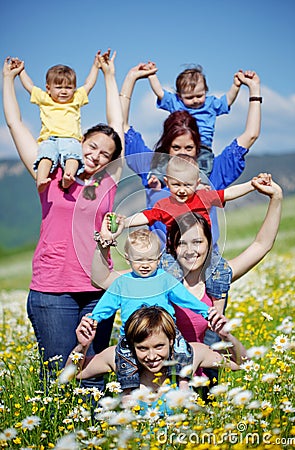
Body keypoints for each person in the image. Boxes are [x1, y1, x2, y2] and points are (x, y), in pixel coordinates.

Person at [2, 51, 124, 387]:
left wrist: (109, 75)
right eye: (92, 147)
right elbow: (16, 125)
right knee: (58, 379)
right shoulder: (50, 173)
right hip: (52, 291)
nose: (97, 155)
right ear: (79, 141)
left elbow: (116, 127)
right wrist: (8, 81)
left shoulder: (107, 180)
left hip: (98, 290)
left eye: (105, 153)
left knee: (93, 378)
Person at [92, 177, 282, 385]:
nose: (191, 251)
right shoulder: (157, 277)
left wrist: (276, 197)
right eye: (182, 243)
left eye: (198, 242)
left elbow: (261, 245)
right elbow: (102, 279)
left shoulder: (217, 277)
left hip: (202, 376)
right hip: (156, 379)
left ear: (210, 244)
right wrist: (105, 241)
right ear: (173, 246)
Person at [120, 63, 262, 250]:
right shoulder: (151, 167)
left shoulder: (212, 172)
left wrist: (254, 89)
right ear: (166, 146)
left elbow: (250, 135)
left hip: (205, 265)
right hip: (161, 266)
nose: (182, 153)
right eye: (176, 147)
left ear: (198, 148)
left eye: (189, 147)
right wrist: (131, 79)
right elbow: (120, 126)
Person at [122, 154, 270, 306]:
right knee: (167, 276)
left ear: (197, 183)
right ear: (167, 182)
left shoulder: (203, 197)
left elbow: (228, 193)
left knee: (220, 273)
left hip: (204, 252)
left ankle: (217, 313)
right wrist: (124, 223)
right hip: (174, 253)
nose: (181, 190)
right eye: (176, 185)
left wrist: (252, 185)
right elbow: (146, 216)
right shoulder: (164, 204)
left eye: (187, 185)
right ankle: (171, 311)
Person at [90, 227, 209, 391]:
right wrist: (94, 318)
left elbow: (186, 298)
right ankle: (128, 393)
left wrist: (206, 311)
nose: (145, 265)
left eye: (151, 260)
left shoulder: (165, 279)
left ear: (159, 258)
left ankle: (183, 382)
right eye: (139, 260)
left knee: (183, 349)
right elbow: (106, 305)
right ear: (127, 259)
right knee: (125, 359)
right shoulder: (122, 283)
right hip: (133, 335)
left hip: (165, 332)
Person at [67, 306, 247, 404]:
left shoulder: (191, 353)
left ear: (171, 340)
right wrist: (82, 346)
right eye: (143, 348)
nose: (152, 356)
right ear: (132, 346)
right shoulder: (120, 357)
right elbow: (72, 375)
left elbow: (241, 363)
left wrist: (227, 335)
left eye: (159, 346)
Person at [13, 53, 101, 192]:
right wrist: (21, 71)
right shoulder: (44, 98)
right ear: (48, 88)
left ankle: (68, 177)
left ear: (74, 88)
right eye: (59, 87)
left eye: (68, 87)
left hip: (71, 138)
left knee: (73, 155)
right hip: (50, 138)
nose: (64, 91)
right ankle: (41, 179)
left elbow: (89, 84)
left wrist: (96, 66)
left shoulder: (76, 99)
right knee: (46, 156)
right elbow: (29, 86)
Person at [148, 63, 243, 176]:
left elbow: (227, 100)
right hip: (180, 145)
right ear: (179, 95)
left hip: (203, 145)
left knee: (204, 164)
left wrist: (236, 86)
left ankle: (202, 182)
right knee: (165, 161)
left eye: (199, 95)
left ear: (206, 91)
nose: (195, 100)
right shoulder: (176, 103)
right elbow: (160, 93)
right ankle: (157, 179)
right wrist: (151, 75)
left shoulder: (210, 104)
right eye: (189, 97)